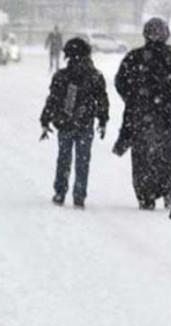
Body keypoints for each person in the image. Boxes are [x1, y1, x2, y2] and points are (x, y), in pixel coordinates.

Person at [114, 17, 171, 210]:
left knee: (142, 156)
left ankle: (145, 194)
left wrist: (133, 97)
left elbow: (120, 82)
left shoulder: (134, 57)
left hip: (141, 116)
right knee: (169, 153)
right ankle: (166, 188)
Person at [40, 37, 109, 209]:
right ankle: (79, 195)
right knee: (83, 160)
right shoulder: (95, 76)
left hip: (65, 123)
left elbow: (53, 100)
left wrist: (45, 119)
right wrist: (102, 119)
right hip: (86, 123)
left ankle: (60, 191)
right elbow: (102, 100)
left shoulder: (62, 76)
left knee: (64, 158)